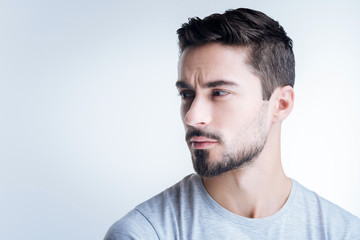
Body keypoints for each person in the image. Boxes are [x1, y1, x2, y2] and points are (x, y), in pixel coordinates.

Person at [104, 8, 360, 239]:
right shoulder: (145, 233)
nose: (192, 117)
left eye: (219, 93)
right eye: (186, 94)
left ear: (281, 104)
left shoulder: (343, 233)